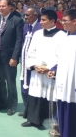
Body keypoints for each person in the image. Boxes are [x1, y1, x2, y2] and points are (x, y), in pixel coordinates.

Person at [21, 10, 65, 128]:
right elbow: (31, 52)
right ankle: (33, 120)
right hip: (37, 71)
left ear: (53, 21)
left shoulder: (62, 35)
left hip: (49, 72)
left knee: (50, 95)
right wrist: (35, 65)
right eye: (41, 20)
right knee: (36, 93)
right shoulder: (37, 34)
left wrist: (48, 68)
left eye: (44, 20)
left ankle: (51, 121)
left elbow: (61, 56)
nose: (41, 22)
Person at [0, 0, 24, 116]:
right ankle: (1, 103)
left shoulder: (17, 21)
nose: (1, 8)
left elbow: (19, 40)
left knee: (10, 82)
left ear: (10, 7)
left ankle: (12, 105)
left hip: (9, 57)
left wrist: (15, 57)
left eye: (3, 6)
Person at [48, 9, 76, 137]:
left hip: (73, 82)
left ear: (74, 21)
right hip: (64, 82)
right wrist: (54, 69)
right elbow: (59, 57)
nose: (62, 23)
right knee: (63, 108)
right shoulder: (65, 37)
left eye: (65, 21)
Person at [18, 7, 42, 117]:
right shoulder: (25, 26)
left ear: (35, 16)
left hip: (36, 65)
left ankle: (34, 113)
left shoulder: (40, 28)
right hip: (24, 63)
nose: (25, 17)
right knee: (24, 86)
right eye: (25, 15)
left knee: (34, 87)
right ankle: (26, 109)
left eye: (28, 15)